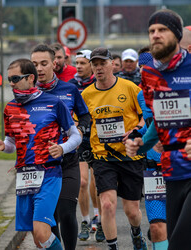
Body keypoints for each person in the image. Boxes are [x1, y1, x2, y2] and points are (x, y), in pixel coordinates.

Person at [0, 58, 82, 250]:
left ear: (30, 78)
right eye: (9, 80)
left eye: (15, 78)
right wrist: (2, 146)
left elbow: (75, 136)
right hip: (24, 177)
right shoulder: (10, 108)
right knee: (39, 239)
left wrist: (62, 148)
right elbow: (12, 143)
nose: (12, 84)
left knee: (41, 231)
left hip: (49, 173)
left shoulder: (53, 103)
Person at [125, 9, 191, 250]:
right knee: (172, 238)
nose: (155, 35)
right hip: (172, 169)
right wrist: (141, 142)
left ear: (176, 34)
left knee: (180, 243)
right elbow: (159, 122)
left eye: (162, 30)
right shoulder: (150, 74)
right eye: (151, 31)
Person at [81, 47, 147, 250]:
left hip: (130, 155)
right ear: (92, 68)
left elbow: (146, 118)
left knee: (132, 211)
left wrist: (137, 130)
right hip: (103, 157)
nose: (99, 68)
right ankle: (113, 247)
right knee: (107, 204)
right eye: (95, 64)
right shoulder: (86, 95)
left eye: (103, 63)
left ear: (112, 64)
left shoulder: (130, 88)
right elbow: (79, 123)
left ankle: (136, 233)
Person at [30, 44, 90, 250]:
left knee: (66, 210)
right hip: (42, 164)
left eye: (44, 63)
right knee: (51, 215)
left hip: (68, 160)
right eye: (35, 64)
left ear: (54, 64)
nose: (39, 68)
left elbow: (85, 115)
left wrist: (81, 128)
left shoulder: (69, 89)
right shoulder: (29, 94)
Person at [69, 49, 105, 242]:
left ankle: (98, 219)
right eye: (77, 63)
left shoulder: (98, 83)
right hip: (80, 138)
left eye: (83, 63)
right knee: (82, 182)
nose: (79, 66)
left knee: (97, 182)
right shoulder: (71, 85)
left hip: (98, 138)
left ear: (91, 65)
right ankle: (84, 220)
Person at [136, 48, 168, 250]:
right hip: (153, 168)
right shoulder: (141, 95)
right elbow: (148, 125)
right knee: (156, 227)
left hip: (180, 166)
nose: (143, 71)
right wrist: (135, 137)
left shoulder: (179, 87)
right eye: (141, 67)